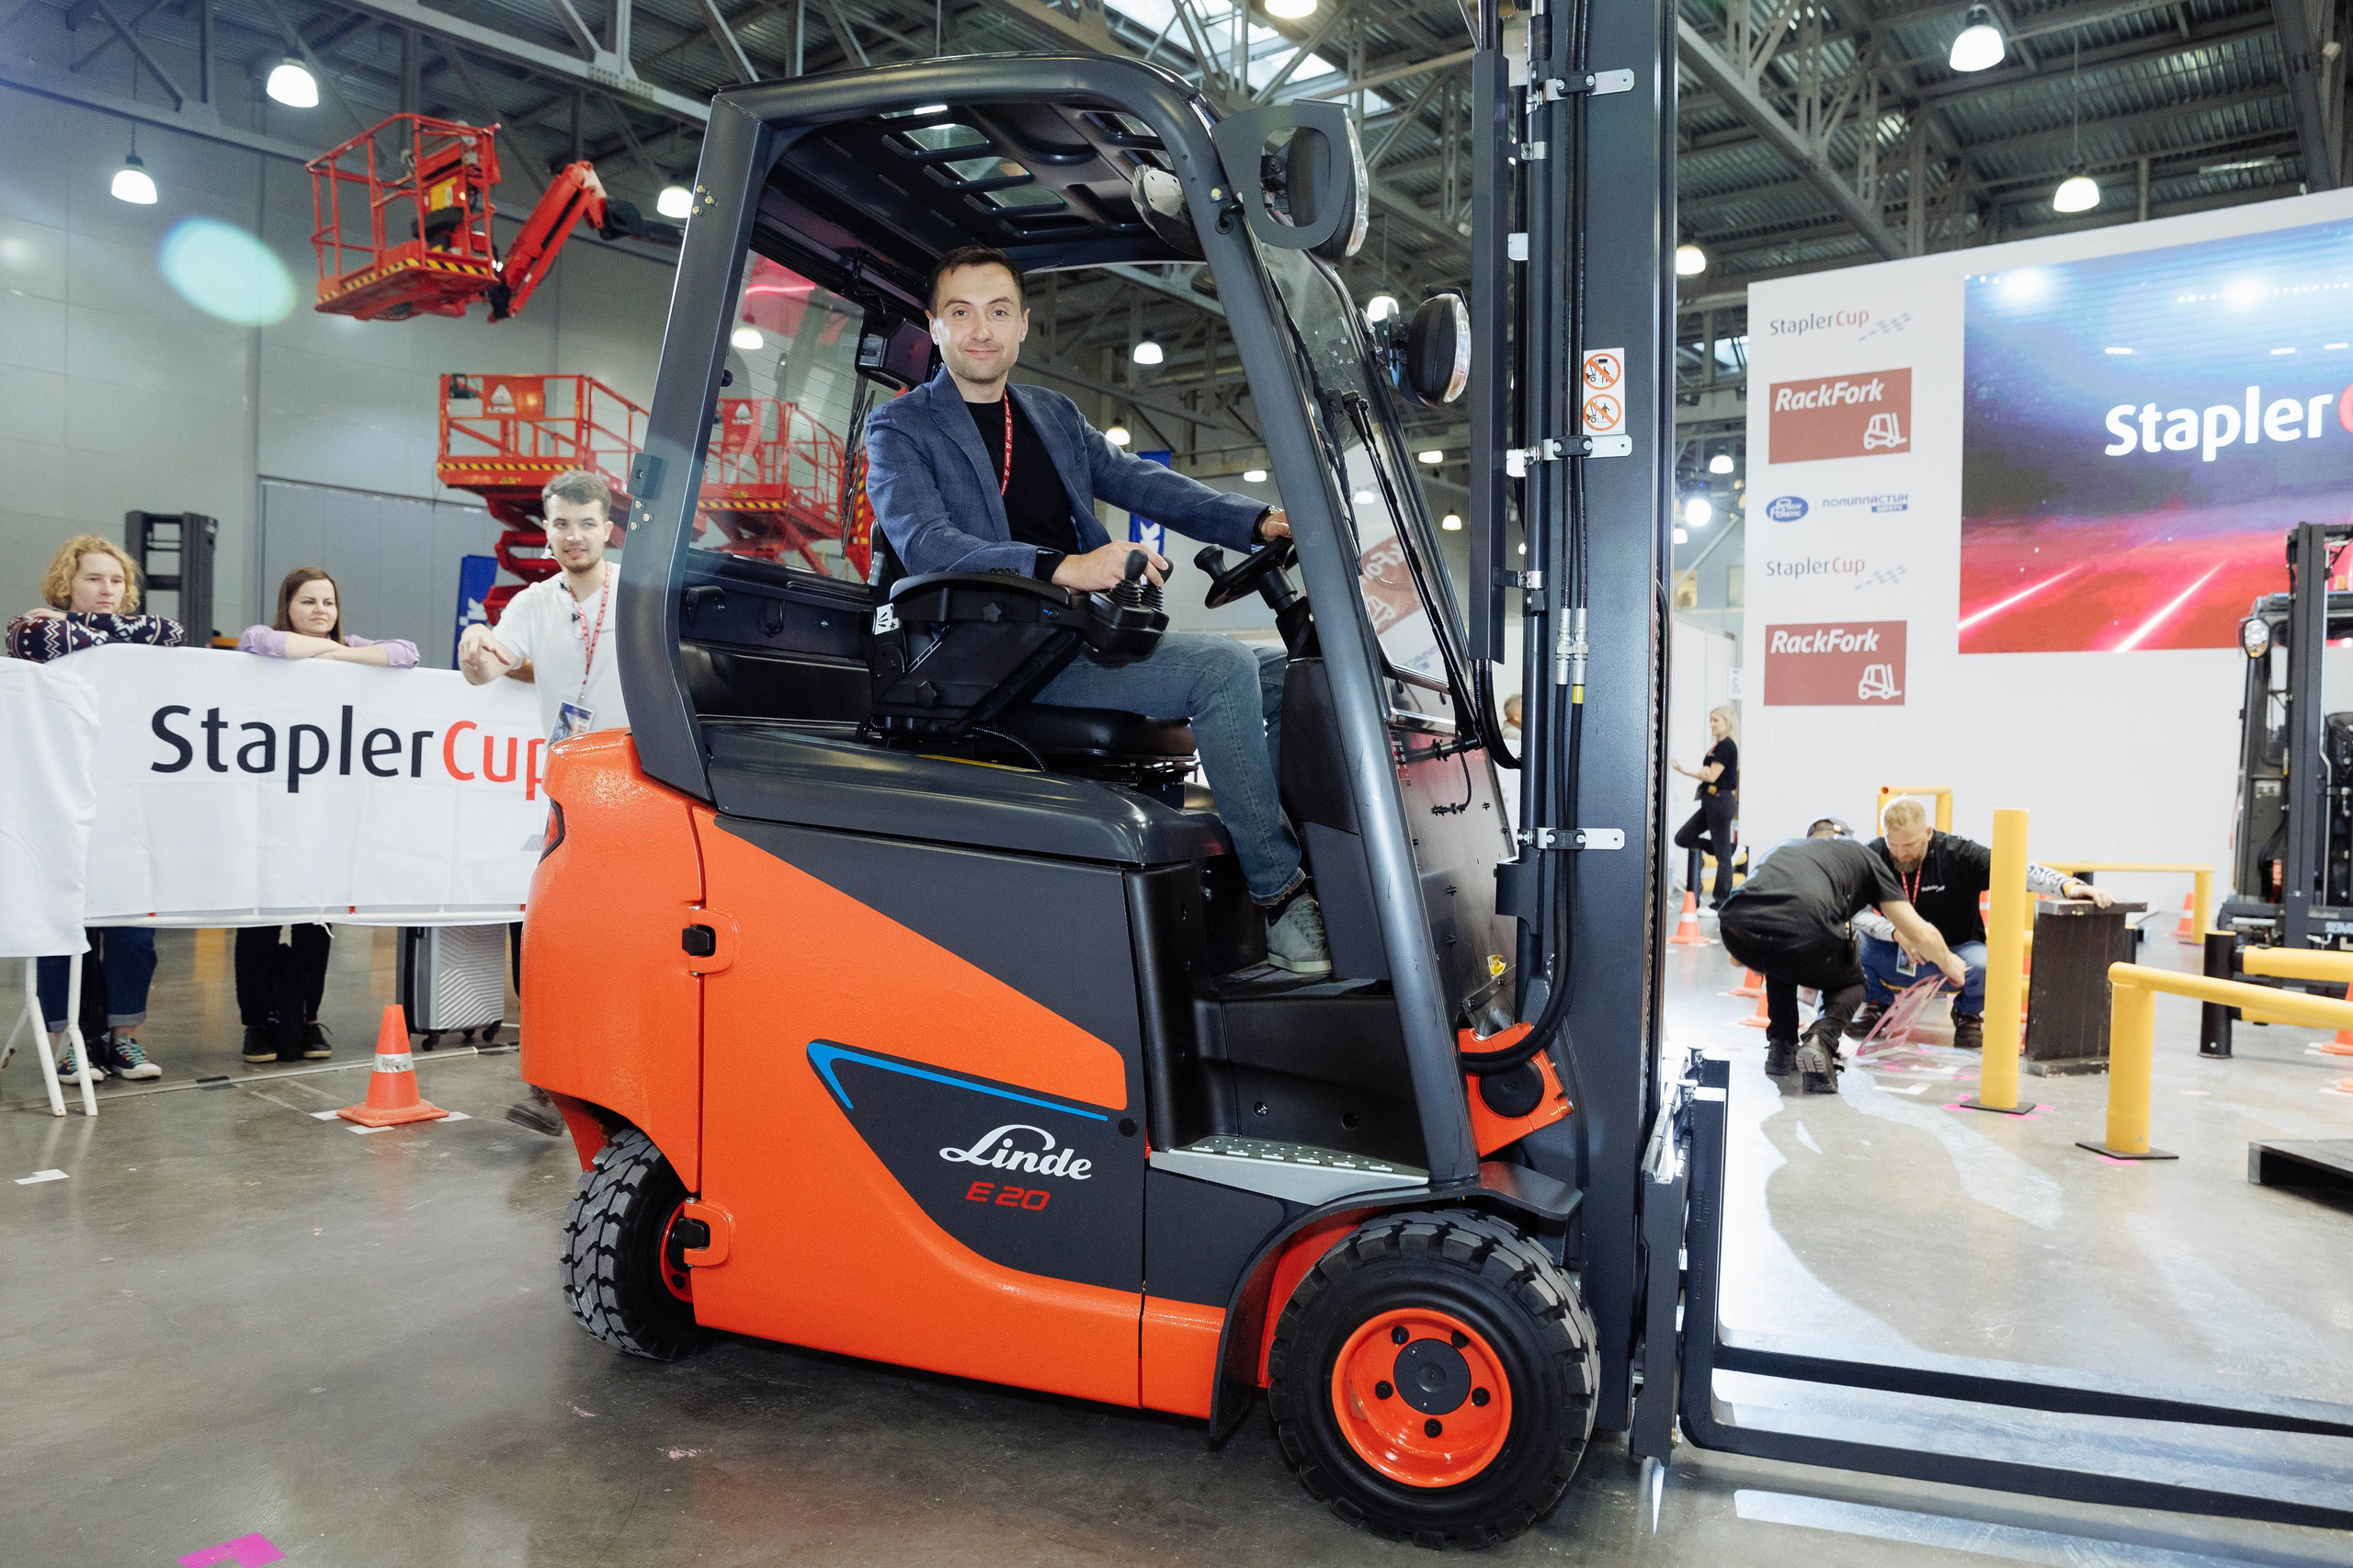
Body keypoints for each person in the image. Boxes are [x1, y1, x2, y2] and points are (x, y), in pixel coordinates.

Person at [864, 244, 1329, 975]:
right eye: (961, 313)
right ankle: (1279, 896)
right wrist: (1062, 566)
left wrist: (1254, 518)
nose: (981, 330)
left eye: (998, 312)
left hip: (1067, 638)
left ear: (1023, 325)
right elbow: (926, 542)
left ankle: (1259, 860)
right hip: (989, 657)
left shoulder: (1050, 413)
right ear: (935, 326)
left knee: (1288, 676)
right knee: (1221, 667)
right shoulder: (902, 428)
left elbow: (1144, 483)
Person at [457, 470, 627, 1133]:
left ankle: (622, 1085)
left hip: (638, 788)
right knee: (554, 938)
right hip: (567, 792)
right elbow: (488, 667)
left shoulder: (636, 595)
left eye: (586, 524)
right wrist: (475, 650)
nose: (573, 536)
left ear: (607, 528)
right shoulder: (532, 603)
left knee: (626, 939)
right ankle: (550, 1085)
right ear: (548, 530)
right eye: (561, 524)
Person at [8, 535, 183, 1083]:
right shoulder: (34, 630)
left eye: (116, 580)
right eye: (93, 578)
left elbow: (172, 632)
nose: (107, 589)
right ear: (67, 583)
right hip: (57, 800)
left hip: (127, 801)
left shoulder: (120, 633)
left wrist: (80, 628)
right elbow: (27, 635)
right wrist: (99, 633)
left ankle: (123, 1039)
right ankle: (68, 1043)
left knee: (132, 928)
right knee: (64, 925)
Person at [231, 568, 423, 1064]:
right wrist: (327, 653)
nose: (320, 610)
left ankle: (305, 1018)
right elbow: (256, 643)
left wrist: (335, 654)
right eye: (308, 601)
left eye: (328, 602)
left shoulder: (349, 647)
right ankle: (257, 1023)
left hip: (326, 812)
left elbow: (406, 653)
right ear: (288, 606)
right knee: (261, 920)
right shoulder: (265, 640)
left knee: (317, 919)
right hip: (273, 807)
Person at [1717, 817, 1968, 1094]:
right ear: (1846, 838)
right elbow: (1919, 932)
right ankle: (1821, 1039)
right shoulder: (1861, 854)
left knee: (1780, 963)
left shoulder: (1783, 848)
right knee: (1852, 982)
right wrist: (1949, 963)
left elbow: (1737, 960)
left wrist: (1750, 951)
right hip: (1804, 924)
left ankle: (1781, 1047)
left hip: (1734, 926)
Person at [1847, 797, 2113, 1051]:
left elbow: (2014, 868)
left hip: (1957, 955)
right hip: (1901, 951)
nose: (1901, 854)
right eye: (1893, 845)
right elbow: (1852, 911)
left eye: (1909, 845)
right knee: (1850, 944)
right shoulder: (1875, 854)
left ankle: (1968, 1014)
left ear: (1928, 833)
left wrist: (2068, 886)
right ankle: (1878, 1003)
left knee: (1986, 964)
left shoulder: (1958, 853)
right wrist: (1896, 933)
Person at [1670, 705, 1740, 907]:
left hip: (1720, 801)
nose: (1712, 724)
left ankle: (1720, 902)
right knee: (1683, 838)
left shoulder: (1726, 746)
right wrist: (1693, 772)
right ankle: (1731, 849)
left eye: (1716, 720)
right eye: (1711, 720)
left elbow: (1711, 776)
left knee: (1722, 858)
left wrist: (1686, 771)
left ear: (1727, 722)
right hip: (1710, 801)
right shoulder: (1717, 746)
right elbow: (1708, 774)